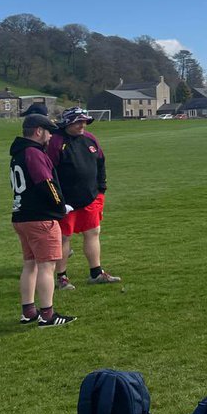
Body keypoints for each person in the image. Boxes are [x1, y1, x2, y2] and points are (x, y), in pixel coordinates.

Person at [10, 113, 76, 327]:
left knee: (30, 265)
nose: (50, 137)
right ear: (38, 131)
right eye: (48, 132)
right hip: (40, 218)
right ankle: (48, 315)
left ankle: (28, 311)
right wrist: (59, 207)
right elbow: (45, 183)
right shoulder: (33, 153)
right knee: (47, 266)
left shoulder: (18, 153)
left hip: (21, 215)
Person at [48, 108, 120, 289]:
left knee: (93, 232)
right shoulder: (56, 142)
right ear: (67, 123)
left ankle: (96, 273)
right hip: (66, 202)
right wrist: (57, 200)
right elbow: (49, 172)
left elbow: (101, 162)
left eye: (84, 121)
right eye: (78, 122)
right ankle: (61, 277)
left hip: (90, 197)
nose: (82, 125)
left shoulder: (90, 138)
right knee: (64, 237)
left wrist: (101, 190)